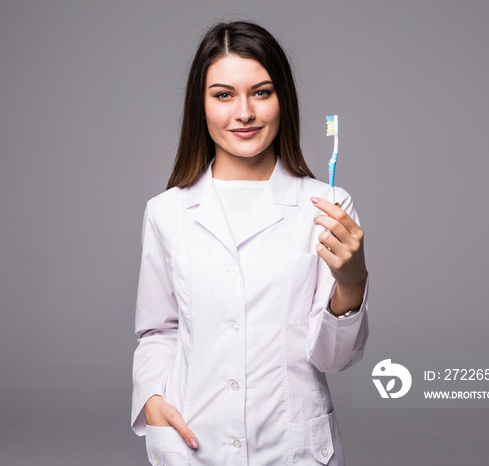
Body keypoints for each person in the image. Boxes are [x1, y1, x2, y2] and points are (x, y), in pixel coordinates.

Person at [131, 21, 368, 466]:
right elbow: (157, 331)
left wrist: (351, 284)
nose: (244, 113)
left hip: (293, 448)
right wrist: (153, 398)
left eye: (261, 92)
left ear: (283, 101)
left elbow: (334, 361)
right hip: (194, 441)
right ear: (200, 107)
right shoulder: (166, 212)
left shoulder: (330, 207)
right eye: (223, 95)